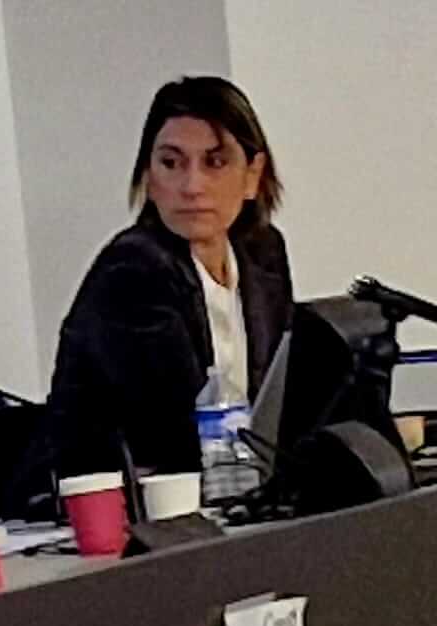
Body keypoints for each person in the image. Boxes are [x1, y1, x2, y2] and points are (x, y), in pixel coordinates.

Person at [47, 76, 293, 475]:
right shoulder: (132, 270)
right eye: (171, 164)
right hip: (123, 495)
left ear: (253, 175)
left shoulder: (263, 252)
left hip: (232, 486)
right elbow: (172, 432)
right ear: (149, 177)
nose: (192, 186)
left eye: (215, 162)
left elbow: (282, 400)